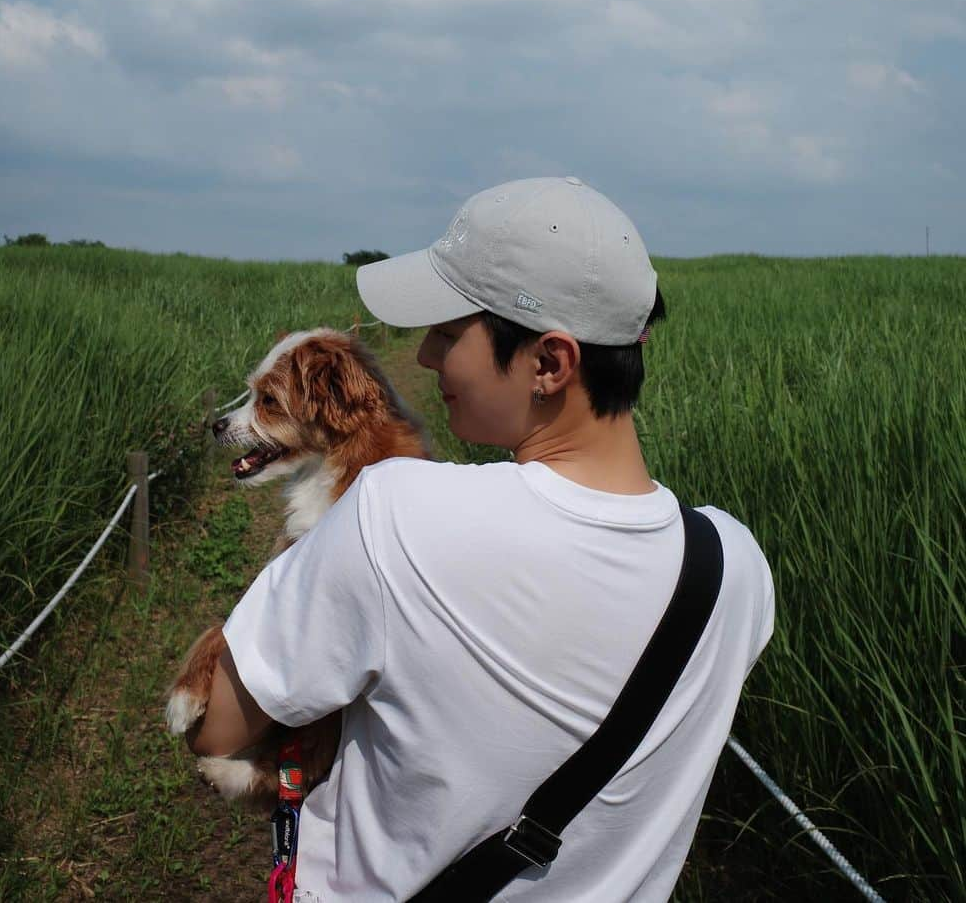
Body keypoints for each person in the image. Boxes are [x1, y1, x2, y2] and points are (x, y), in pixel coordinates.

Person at [186, 176, 774, 902]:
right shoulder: (734, 569)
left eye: (447, 330)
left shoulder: (396, 512)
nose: (427, 358)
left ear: (550, 363)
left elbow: (217, 730)